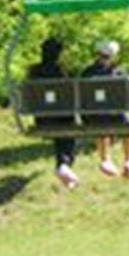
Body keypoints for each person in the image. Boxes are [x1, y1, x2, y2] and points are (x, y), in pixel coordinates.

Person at [29, 37, 79, 189]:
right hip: (62, 117)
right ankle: (63, 164)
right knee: (67, 131)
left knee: (61, 132)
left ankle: (63, 166)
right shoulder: (61, 70)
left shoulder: (34, 71)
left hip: (42, 119)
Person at [84, 38, 129, 180]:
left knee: (101, 126)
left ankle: (105, 159)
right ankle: (128, 160)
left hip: (94, 115)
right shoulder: (119, 72)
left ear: (97, 54)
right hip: (115, 114)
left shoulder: (88, 72)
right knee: (127, 128)